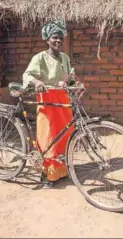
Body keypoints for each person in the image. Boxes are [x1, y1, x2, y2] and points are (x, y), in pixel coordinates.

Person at [23, 20, 75, 188]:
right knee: (48, 136)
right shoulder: (39, 58)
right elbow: (28, 75)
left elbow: (70, 78)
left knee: (65, 135)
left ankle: (62, 171)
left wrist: (75, 84)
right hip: (47, 101)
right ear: (47, 39)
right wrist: (37, 82)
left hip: (64, 102)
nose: (58, 41)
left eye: (61, 38)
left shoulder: (65, 58)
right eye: (54, 37)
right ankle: (47, 174)